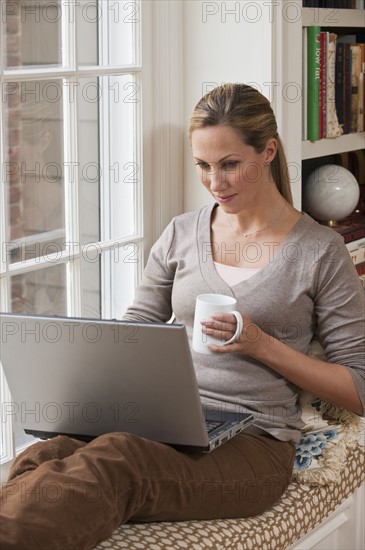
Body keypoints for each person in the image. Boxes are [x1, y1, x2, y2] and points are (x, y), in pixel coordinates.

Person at [1, 83, 364, 550]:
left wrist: (259, 344)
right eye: (204, 166)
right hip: (167, 419)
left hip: (253, 443)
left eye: (230, 164)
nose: (216, 182)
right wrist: (81, 364)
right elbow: (136, 329)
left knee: (118, 458)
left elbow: (357, 389)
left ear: (268, 151)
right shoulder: (181, 233)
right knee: (46, 452)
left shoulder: (320, 251)